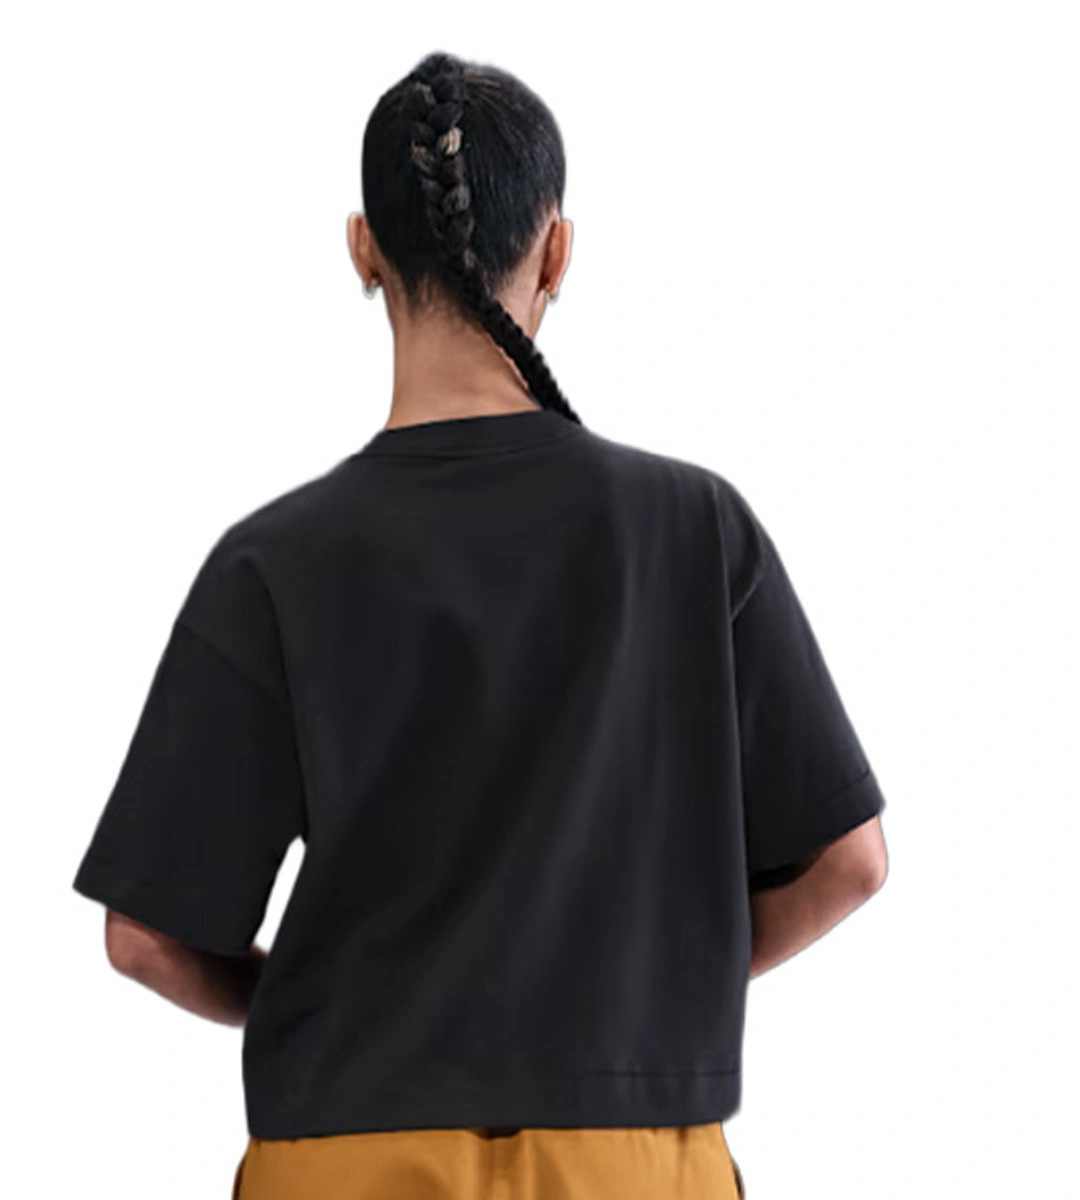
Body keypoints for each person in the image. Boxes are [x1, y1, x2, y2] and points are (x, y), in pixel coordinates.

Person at [72, 49, 889, 1200]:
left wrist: (344, 1015)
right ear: (557, 252)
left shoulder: (273, 562)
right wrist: (647, 1003)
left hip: (347, 1157)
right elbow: (850, 862)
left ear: (363, 249)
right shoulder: (694, 530)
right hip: (629, 1164)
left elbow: (146, 937)